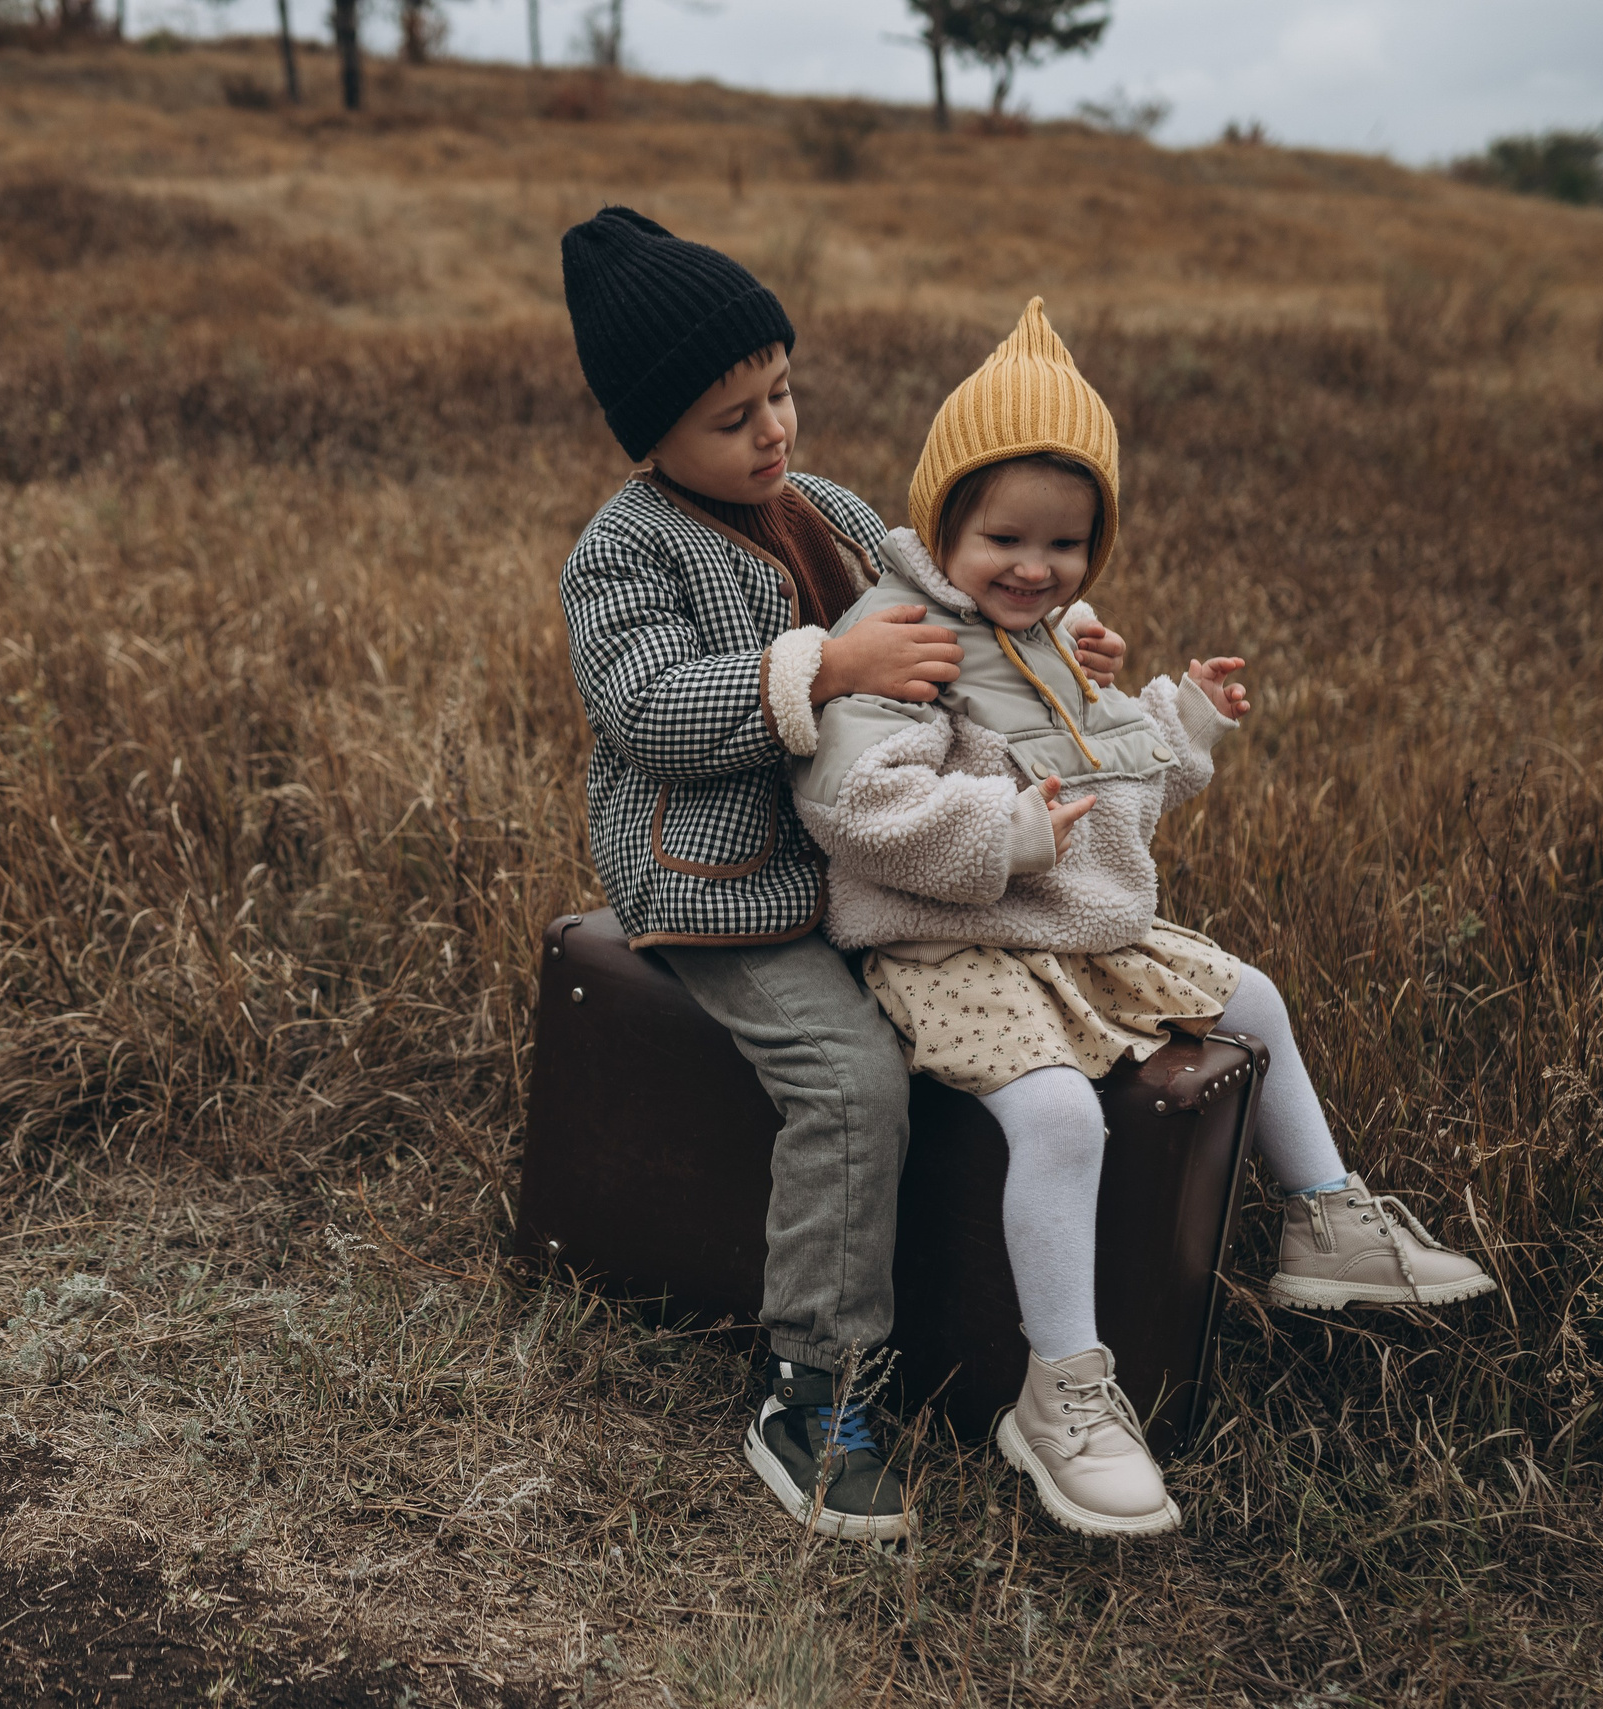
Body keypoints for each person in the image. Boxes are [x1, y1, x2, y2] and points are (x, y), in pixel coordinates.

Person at [794, 298, 1497, 1539]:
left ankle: (1324, 1219)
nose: (1035, 566)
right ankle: (1061, 1390)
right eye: (1003, 536)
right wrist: (1001, 830)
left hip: (1060, 930)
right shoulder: (901, 635)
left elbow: (1111, 785)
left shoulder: (1056, 640)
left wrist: (1181, 717)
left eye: (1066, 543)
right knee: (1059, 1115)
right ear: (940, 523)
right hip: (946, 944)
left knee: (1252, 997)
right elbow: (853, 804)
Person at [554, 209, 1131, 1544]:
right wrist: (824, 666)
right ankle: (812, 1386)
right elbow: (645, 706)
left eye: (781, 391)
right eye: (731, 417)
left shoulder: (830, 510)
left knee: (1046, 992)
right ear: (648, 436)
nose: (772, 431)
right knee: (851, 1077)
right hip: (724, 888)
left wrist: (1058, 636)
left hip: (871, 862)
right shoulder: (624, 551)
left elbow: (957, 601)